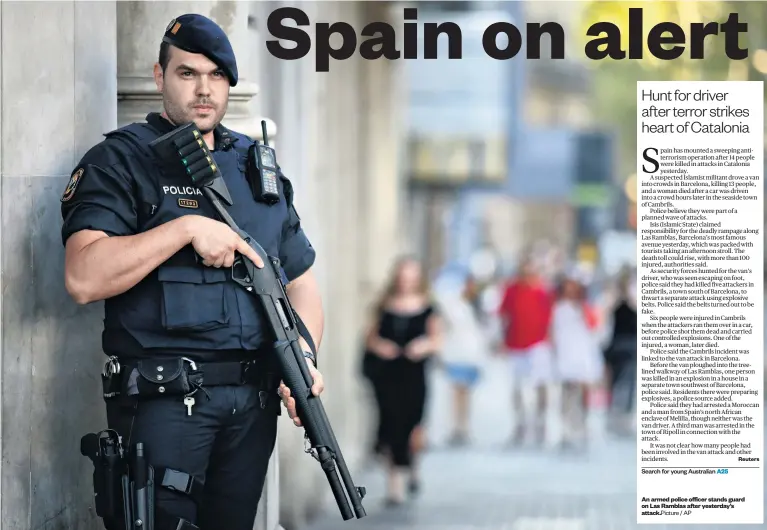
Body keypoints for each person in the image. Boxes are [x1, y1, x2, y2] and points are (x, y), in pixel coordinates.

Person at [61, 14, 324, 530]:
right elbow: (82, 277)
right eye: (187, 74)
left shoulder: (256, 169)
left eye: (216, 75)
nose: (204, 90)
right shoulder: (119, 161)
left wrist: (305, 359)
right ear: (159, 77)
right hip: (165, 405)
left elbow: (301, 282)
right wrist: (182, 231)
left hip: (252, 406)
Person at [363, 256, 442, 506]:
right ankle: (394, 485)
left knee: (414, 424)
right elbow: (370, 338)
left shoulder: (429, 306)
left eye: (411, 276)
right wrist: (382, 347)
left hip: (415, 374)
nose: (406, 281)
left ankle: (413, 467)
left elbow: (437, 339)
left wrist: (423, 346)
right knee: (391, 425)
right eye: (402, 276)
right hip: (388, 374)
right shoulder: (384, 305)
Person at [497, 254, 555, 446]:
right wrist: (502, 340)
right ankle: (520, 424)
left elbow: (551, 316)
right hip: (516, 343)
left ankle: (541, 423)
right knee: (517, 387)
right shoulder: (511, 290)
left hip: (538, 343)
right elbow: (503, 315)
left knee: (541, 384)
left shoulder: (543, 290)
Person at [549, 271, 604, 449]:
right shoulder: (557, 308)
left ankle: (581, 425)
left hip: (582, 355)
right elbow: (551, 331)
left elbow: (595, 326)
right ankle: (566, 428)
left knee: (582, 392)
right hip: (565, 355)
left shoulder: (584, 307)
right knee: (566, 392)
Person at [434, 274, 487, 446]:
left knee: (466, 393)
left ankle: (464, 427)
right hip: (456, 353)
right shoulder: (451, 306)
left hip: (471, 354)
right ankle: (456, 427)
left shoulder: (477, 305)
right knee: (456, 391)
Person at [603, 267, 637, 435]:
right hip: (615, 344)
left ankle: (625, 415)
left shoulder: (635, 298)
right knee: (614, 381)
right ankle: (613, 412)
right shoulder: (612, 299)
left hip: (631, 344)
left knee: (630, 382)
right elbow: (603, 313)